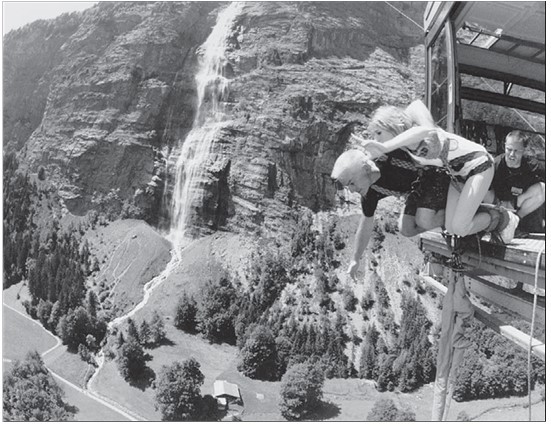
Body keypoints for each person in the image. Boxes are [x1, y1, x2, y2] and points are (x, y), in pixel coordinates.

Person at [361, 102, 519, 243]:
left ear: (391, 125)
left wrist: (385, 147)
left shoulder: (416, 139)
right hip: (459, 176)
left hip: (479, 166)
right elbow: (416, 106)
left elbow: (421, 123)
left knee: (459, 228)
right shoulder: (407, 143)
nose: (377, 139)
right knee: (452, 228)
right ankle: (491, 215)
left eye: (379, 133)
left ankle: (505, 219)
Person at [486, 130, 545, 232]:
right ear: (504, 146)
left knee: (544, 189)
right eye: (509, 149)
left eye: (517, 151)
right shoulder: (495, 165)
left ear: (524, 150)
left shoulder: (532, 166)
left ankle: (515, 221)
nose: (512, 154)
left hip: (518, 206)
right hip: (498, 206)